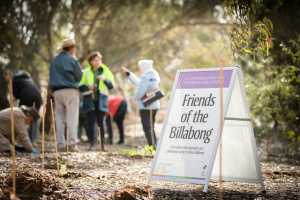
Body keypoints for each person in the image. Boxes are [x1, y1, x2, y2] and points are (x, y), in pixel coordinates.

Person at [49, 38, 83, 152]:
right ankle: (72, 145)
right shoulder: (72, 59)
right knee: (72, 118)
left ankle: (60, 145)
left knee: (59, 119)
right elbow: (79, 76)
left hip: (56, 92)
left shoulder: (54, 59)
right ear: (72, 48)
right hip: (70, 90)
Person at [78, 51, 115, 151]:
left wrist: (104, 79)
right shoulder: (85, 72)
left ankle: (102, 145)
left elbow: (111, 85)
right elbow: (80, 86)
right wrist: (88, 87)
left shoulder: (106, 71)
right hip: (90, 101)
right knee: (91, 123)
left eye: (99, 60)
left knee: (101, 123)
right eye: (95, 60)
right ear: (90, 61)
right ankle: (92, 144)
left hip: (101, 101)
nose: (97, 62)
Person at [121, 60, 160, 149]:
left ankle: (152, 148)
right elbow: (140, 82)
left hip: (146, 106)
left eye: (140, 67)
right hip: (154, 106)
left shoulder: (146, 77)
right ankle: (155, 146)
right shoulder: (153, 76)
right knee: (151, 127)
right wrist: (129, 74)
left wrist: (136, 98)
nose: (140, 69)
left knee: (147, 128)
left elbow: (141, 90)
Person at [12, 70, 42, 142]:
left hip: (26, 98)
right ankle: (31, 141)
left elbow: (16, 95)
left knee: (19, 117)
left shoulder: (16, 80)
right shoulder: (28, 79)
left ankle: (14, 140)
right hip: (38, 98)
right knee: (34, 118)